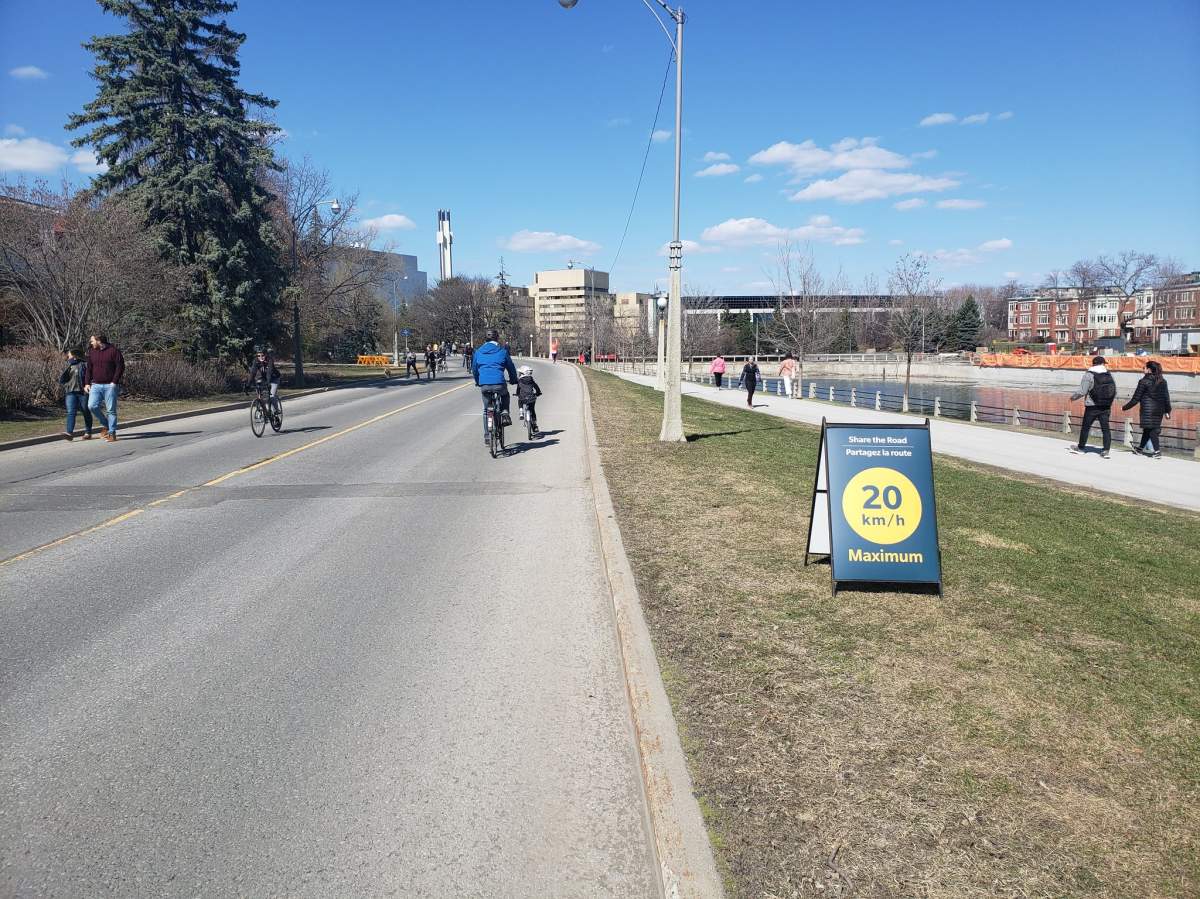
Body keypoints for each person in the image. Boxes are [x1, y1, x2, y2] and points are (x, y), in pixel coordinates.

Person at [472, 328, 518, 443]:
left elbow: (474, 369)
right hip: (499, 384)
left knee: (487, 410)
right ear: (497, 338)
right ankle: (505, 411)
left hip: (484, 385)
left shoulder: (478, 352)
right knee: (505, 395)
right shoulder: (502, 351)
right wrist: (513, 379)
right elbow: (511, 368)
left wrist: (478, 381)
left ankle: (487, 435)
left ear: (485, 339)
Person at [1067, 355, 1116, 458]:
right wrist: (1108, 402)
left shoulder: (1089, 375)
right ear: (1102, 364)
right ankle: (1106, 450)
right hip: (1106, 406)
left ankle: (1081, 448)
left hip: (1092, 406)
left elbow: (1082, 391)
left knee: (1085, 428)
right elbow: (1114, 391)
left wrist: (1073, 398)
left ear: (1093, 363)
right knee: (1105, 428)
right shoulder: (1109, 374)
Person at [1123, 359, 1172, 458]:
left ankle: (1157, 451)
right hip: (1159, 410)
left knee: (1152, 430)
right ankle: (1140, 449)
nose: (1143, 369)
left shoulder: (1143, 381)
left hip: (1148, 410)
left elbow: (1136, 398)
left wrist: (1124, 407)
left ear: (1149, 370)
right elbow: (1166, 397)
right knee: (1148, 429)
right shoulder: (1163, 381)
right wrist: (1167, 410)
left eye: (1144, 368)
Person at [84, 333, 124, 442]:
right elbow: (89, 369)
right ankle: (106, 424)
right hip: (95, 385)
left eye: (92, 341)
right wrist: (87, 383)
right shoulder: (92, 352)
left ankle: (112, 433)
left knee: (111, 410)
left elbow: (120, 367)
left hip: (110, 385)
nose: (90, 343)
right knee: (92, 406)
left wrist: (114, 382)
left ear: (99, 340)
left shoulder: (113, 351)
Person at [59, 346, 94, 441]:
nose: (67, 357)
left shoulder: (84, 365)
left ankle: (88, 432)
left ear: (75, 356)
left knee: (85, 411)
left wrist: (88, 385)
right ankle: (69, 433)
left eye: (69, 355)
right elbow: (62, 379)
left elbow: (89, 376)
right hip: (71, 392)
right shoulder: (68, 365)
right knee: (71, 412)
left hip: (83, 392)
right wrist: (66, 385)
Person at [514, 364, 543, 436]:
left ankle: (521, 412)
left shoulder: (520, 381)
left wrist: (517, 394)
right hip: (531, 398)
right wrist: (538, 393)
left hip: (523, 398)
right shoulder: (531, 380)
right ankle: (535, 426)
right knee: (532, 410)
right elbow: (536, 387)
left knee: (520, 400)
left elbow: (518, 389)